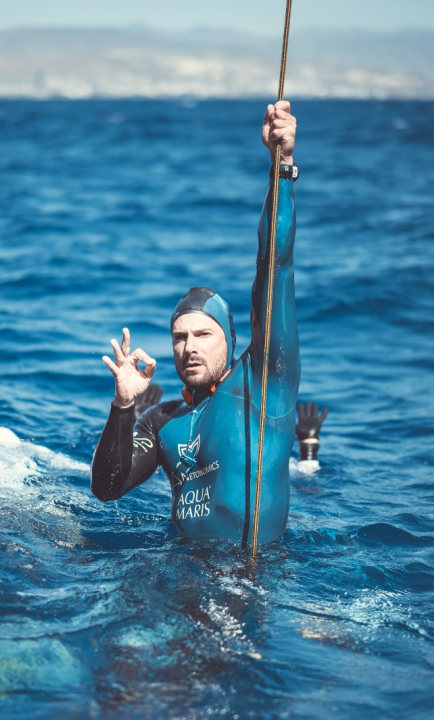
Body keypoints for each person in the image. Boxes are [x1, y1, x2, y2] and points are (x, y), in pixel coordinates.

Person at [91, 100, 305, 548]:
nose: (189, 347)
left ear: (229, 340)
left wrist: (280, 167)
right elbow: (106, 490)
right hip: (180, 573)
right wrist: (123, 405)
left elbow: (275, 265)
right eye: (179, 337)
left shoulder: (264, 382)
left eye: (203, 334)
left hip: (253, 579)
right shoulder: (161, 420)